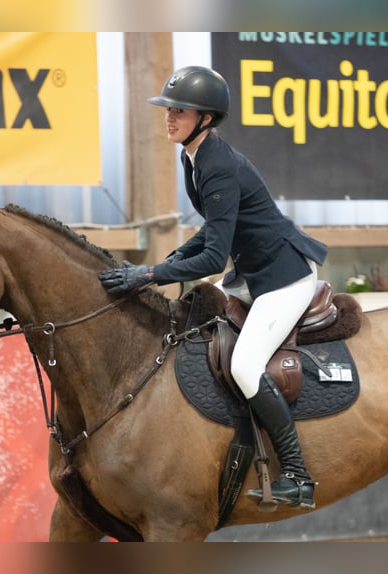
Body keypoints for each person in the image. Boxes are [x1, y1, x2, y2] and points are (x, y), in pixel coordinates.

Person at [99, 66, 328, 509]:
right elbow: (209, 233)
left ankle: (297, 474)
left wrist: (147, 276)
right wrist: (159, 265)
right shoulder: (194, 156)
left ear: (205, 118)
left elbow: (210, 258)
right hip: (251, 272)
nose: (168, 118)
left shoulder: (217, 165)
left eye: (179, 112)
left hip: (283, 278)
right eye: (168, 110)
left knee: (244, 365)